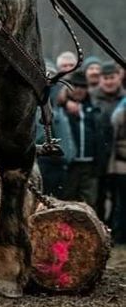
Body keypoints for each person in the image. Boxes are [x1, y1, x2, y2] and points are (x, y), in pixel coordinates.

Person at [90, 62, 126, 222]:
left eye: (112, 78)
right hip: (97, 156)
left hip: (119, 158)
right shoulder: (90, 97)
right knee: (98, 197)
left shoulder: (124, 99)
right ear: (100, 80)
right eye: (106, 78)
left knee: (118, 199)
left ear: (119, 78)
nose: (109, 82)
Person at [62, 70, 101, 208]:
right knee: (66, 203)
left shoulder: (94, 107)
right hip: (69, 165)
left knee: (89, 204)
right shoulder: (61, 108)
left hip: (90, 165)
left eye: (82, 86)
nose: (79, 90)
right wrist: (65, 102)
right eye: (75, 86)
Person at [109, 97, 126, 244]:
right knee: (120, 203)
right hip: (121, 167)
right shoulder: (120, 114)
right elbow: (112, 142)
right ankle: (119, 235)